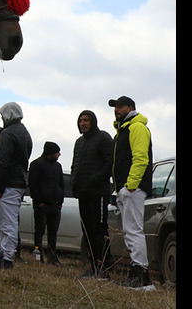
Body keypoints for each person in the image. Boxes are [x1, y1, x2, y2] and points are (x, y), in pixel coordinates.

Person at [109, 96, 155, 290]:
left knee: (134, 231)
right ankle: (141, 279)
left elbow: (141, 158)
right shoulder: (123, 130)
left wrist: (130, 186)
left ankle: (140, 278)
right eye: (115, 107)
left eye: (120, 106)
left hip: (132, 188)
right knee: (131, 231)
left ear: (131, 107)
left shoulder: (136, 127)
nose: (116, 110)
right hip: (126, 188)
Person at [0, 102, 32, 269]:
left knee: (7, 222)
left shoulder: (8, 133)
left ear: (8, 115)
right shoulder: (25, 132)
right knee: (6, 220)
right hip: (17, 183)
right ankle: (3, 254)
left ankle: (6, 259)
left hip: (8, 184)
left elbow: (3, 162)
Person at [71, 109, 114, 279]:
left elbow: (110, 163)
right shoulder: (79, 142)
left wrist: (96, 179)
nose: (83, 123)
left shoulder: (103, 138)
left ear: (93, 121)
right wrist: (74, 183)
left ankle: (103, 267)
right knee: (87, 230)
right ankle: (93, 266)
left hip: (98, 193)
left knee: (99, 230)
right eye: (81, 120)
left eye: (86, 120)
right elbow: (75, 165)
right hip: (83, 193)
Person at [28, 141, 64, 266]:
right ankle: (38, 257)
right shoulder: (36, 165)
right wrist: (38, 202)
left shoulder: (58, 166)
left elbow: (61, 184)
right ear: (50, 153)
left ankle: (53, 258)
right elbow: (33, 185)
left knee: (53, 232)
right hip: (42, 205)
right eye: (57, 152)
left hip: (55, 205)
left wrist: (60, 202)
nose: (59, 154)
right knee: (39, 231)